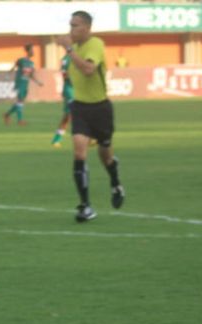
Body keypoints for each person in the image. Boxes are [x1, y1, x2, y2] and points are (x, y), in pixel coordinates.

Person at [66, 11, 125, 223]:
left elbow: (89, 70)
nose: (71, 29)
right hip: (80, 107)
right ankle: (85, 206)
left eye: (75, 25)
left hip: (100, 109)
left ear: (87, 28)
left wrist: (68, 50)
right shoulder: (76, 49)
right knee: (79, 152)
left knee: (105, 156)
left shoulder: (95, 44)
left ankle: (115, 182)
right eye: (70, 24)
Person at [3, 44, 42, 126]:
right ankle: (20, 120)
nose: (33, 52)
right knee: (20, 101)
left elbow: (31, 75)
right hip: (20, 83)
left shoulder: (31, 63)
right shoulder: (21, 60)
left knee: (20, 102)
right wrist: (8, 75)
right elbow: (13, 67)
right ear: (28, 51)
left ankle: (7, 114)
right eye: (32, 50)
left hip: (25, 84)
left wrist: (38, 82)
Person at [51, 37, 75, 147]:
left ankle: (56, 138)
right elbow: (65, 75)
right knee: (74, 114)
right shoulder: (66, 59)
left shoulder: (79, 58)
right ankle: (89, 137)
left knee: (68, 116)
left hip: (78, 91)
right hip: (70, 90)